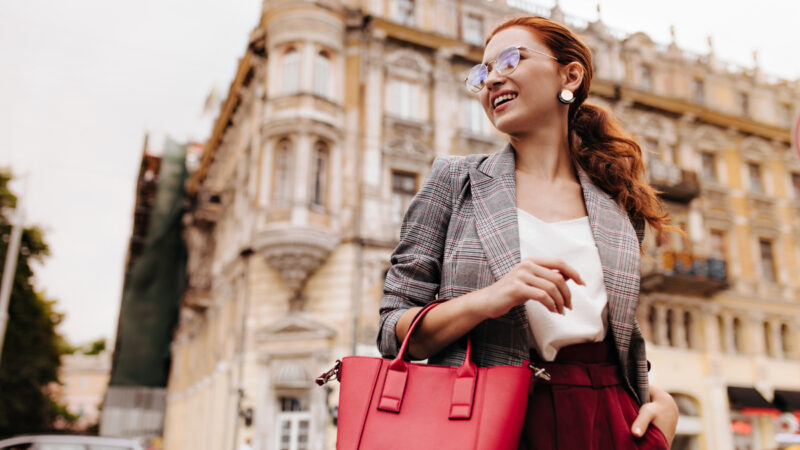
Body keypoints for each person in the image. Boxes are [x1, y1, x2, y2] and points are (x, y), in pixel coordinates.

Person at [378, 15, 680, 449]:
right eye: (482, 73)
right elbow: (392, 329)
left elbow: (621, 339)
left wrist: (660, 406)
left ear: (569, 75)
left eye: (509, 60)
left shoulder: (617, 202)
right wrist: (492, 298)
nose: (491, 80)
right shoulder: (455, 181)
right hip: (494, 421)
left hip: (613, 423)